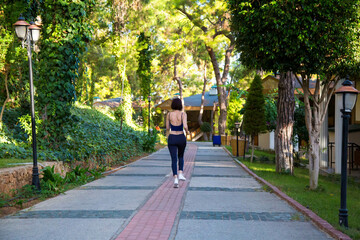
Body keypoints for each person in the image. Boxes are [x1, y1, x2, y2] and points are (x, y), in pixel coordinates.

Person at [166, 98, 189, 188]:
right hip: (181, 137)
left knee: (174, 159)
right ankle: (180, 173)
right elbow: (185, 126)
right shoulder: (183, 114)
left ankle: (175, 179)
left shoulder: (169, 114)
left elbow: (167, 128)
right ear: (180, 105)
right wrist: (187, 132)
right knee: (181, 156)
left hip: (172, 137)